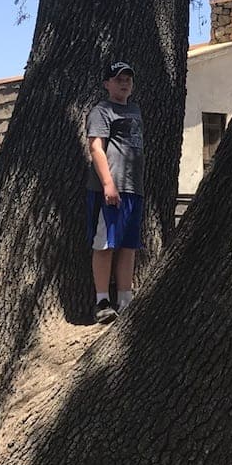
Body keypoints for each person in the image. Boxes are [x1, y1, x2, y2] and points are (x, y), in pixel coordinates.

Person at [85, 60, 144, 324]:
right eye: (118, 78)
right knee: (105, 243)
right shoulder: (102, 111)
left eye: (128, 78)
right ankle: (102, 300)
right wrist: (108, 183)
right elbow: (96, 147)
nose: (124, 82)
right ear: (107, 83)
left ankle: (125, 297)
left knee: (128, 245)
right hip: (110, 187)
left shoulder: (134, 110)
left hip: (134, 187)